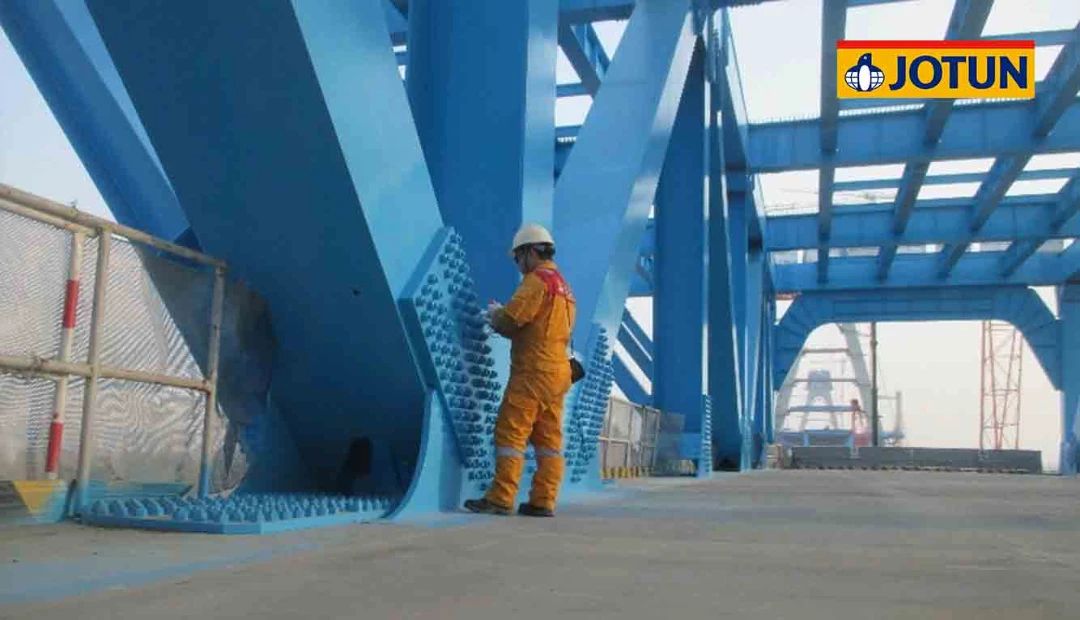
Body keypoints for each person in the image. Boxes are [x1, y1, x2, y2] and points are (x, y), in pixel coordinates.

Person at [464, 224, 576, 518]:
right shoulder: (565, 288)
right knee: (549, 441)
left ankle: (501, 498)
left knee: (511, 433)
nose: (517, 264)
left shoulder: (537, 281)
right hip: (558, 373)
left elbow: (511, 321)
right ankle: (543, 500)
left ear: (529, 252)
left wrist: (495, 314)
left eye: (517, 257)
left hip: (533, 371)